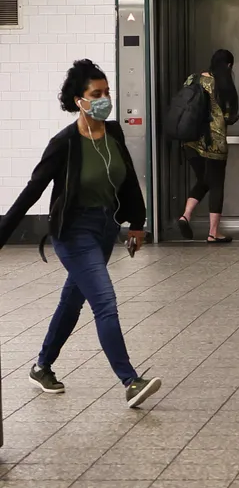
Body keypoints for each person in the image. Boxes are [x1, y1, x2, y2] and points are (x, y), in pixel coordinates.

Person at [0, 59, 163, 408]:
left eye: (107, 93)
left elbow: (129, 179)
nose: (105, 99)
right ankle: (130, 381)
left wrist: (137, 223)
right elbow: (32, 190)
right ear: (79, 100)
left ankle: (42, 366)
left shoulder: (114, 132)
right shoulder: (65, 143)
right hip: (73, 233)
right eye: (96, 94)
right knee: (104, 301)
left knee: (72, 301)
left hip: (106, 228)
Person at [177, 49, 239, 244]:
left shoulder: (192, 79)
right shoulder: (223, 83)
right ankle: (213, 233)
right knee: (216, 184)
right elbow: (229, 116)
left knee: (203, 180)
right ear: (228, 65)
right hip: (215, 142)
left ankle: (185, 215)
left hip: (190, 139)